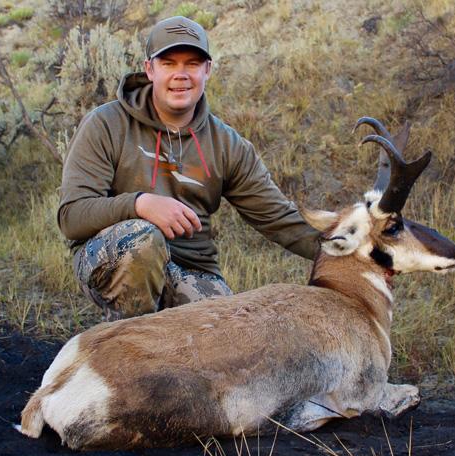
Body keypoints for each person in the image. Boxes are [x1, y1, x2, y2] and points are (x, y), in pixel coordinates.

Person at [58, 16, 319, 321]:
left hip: (192, 268)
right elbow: (71, 217)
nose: (181, 75)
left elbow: (280, 220)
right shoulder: (105, 124)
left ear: (207, 70)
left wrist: (353, 253)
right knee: (142, 239)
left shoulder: (228, 144)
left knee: (228, 335)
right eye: (168, 63)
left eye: (192, 64)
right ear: (149, 69)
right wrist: (140, 204)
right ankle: (127, 347)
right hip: (110, 257)